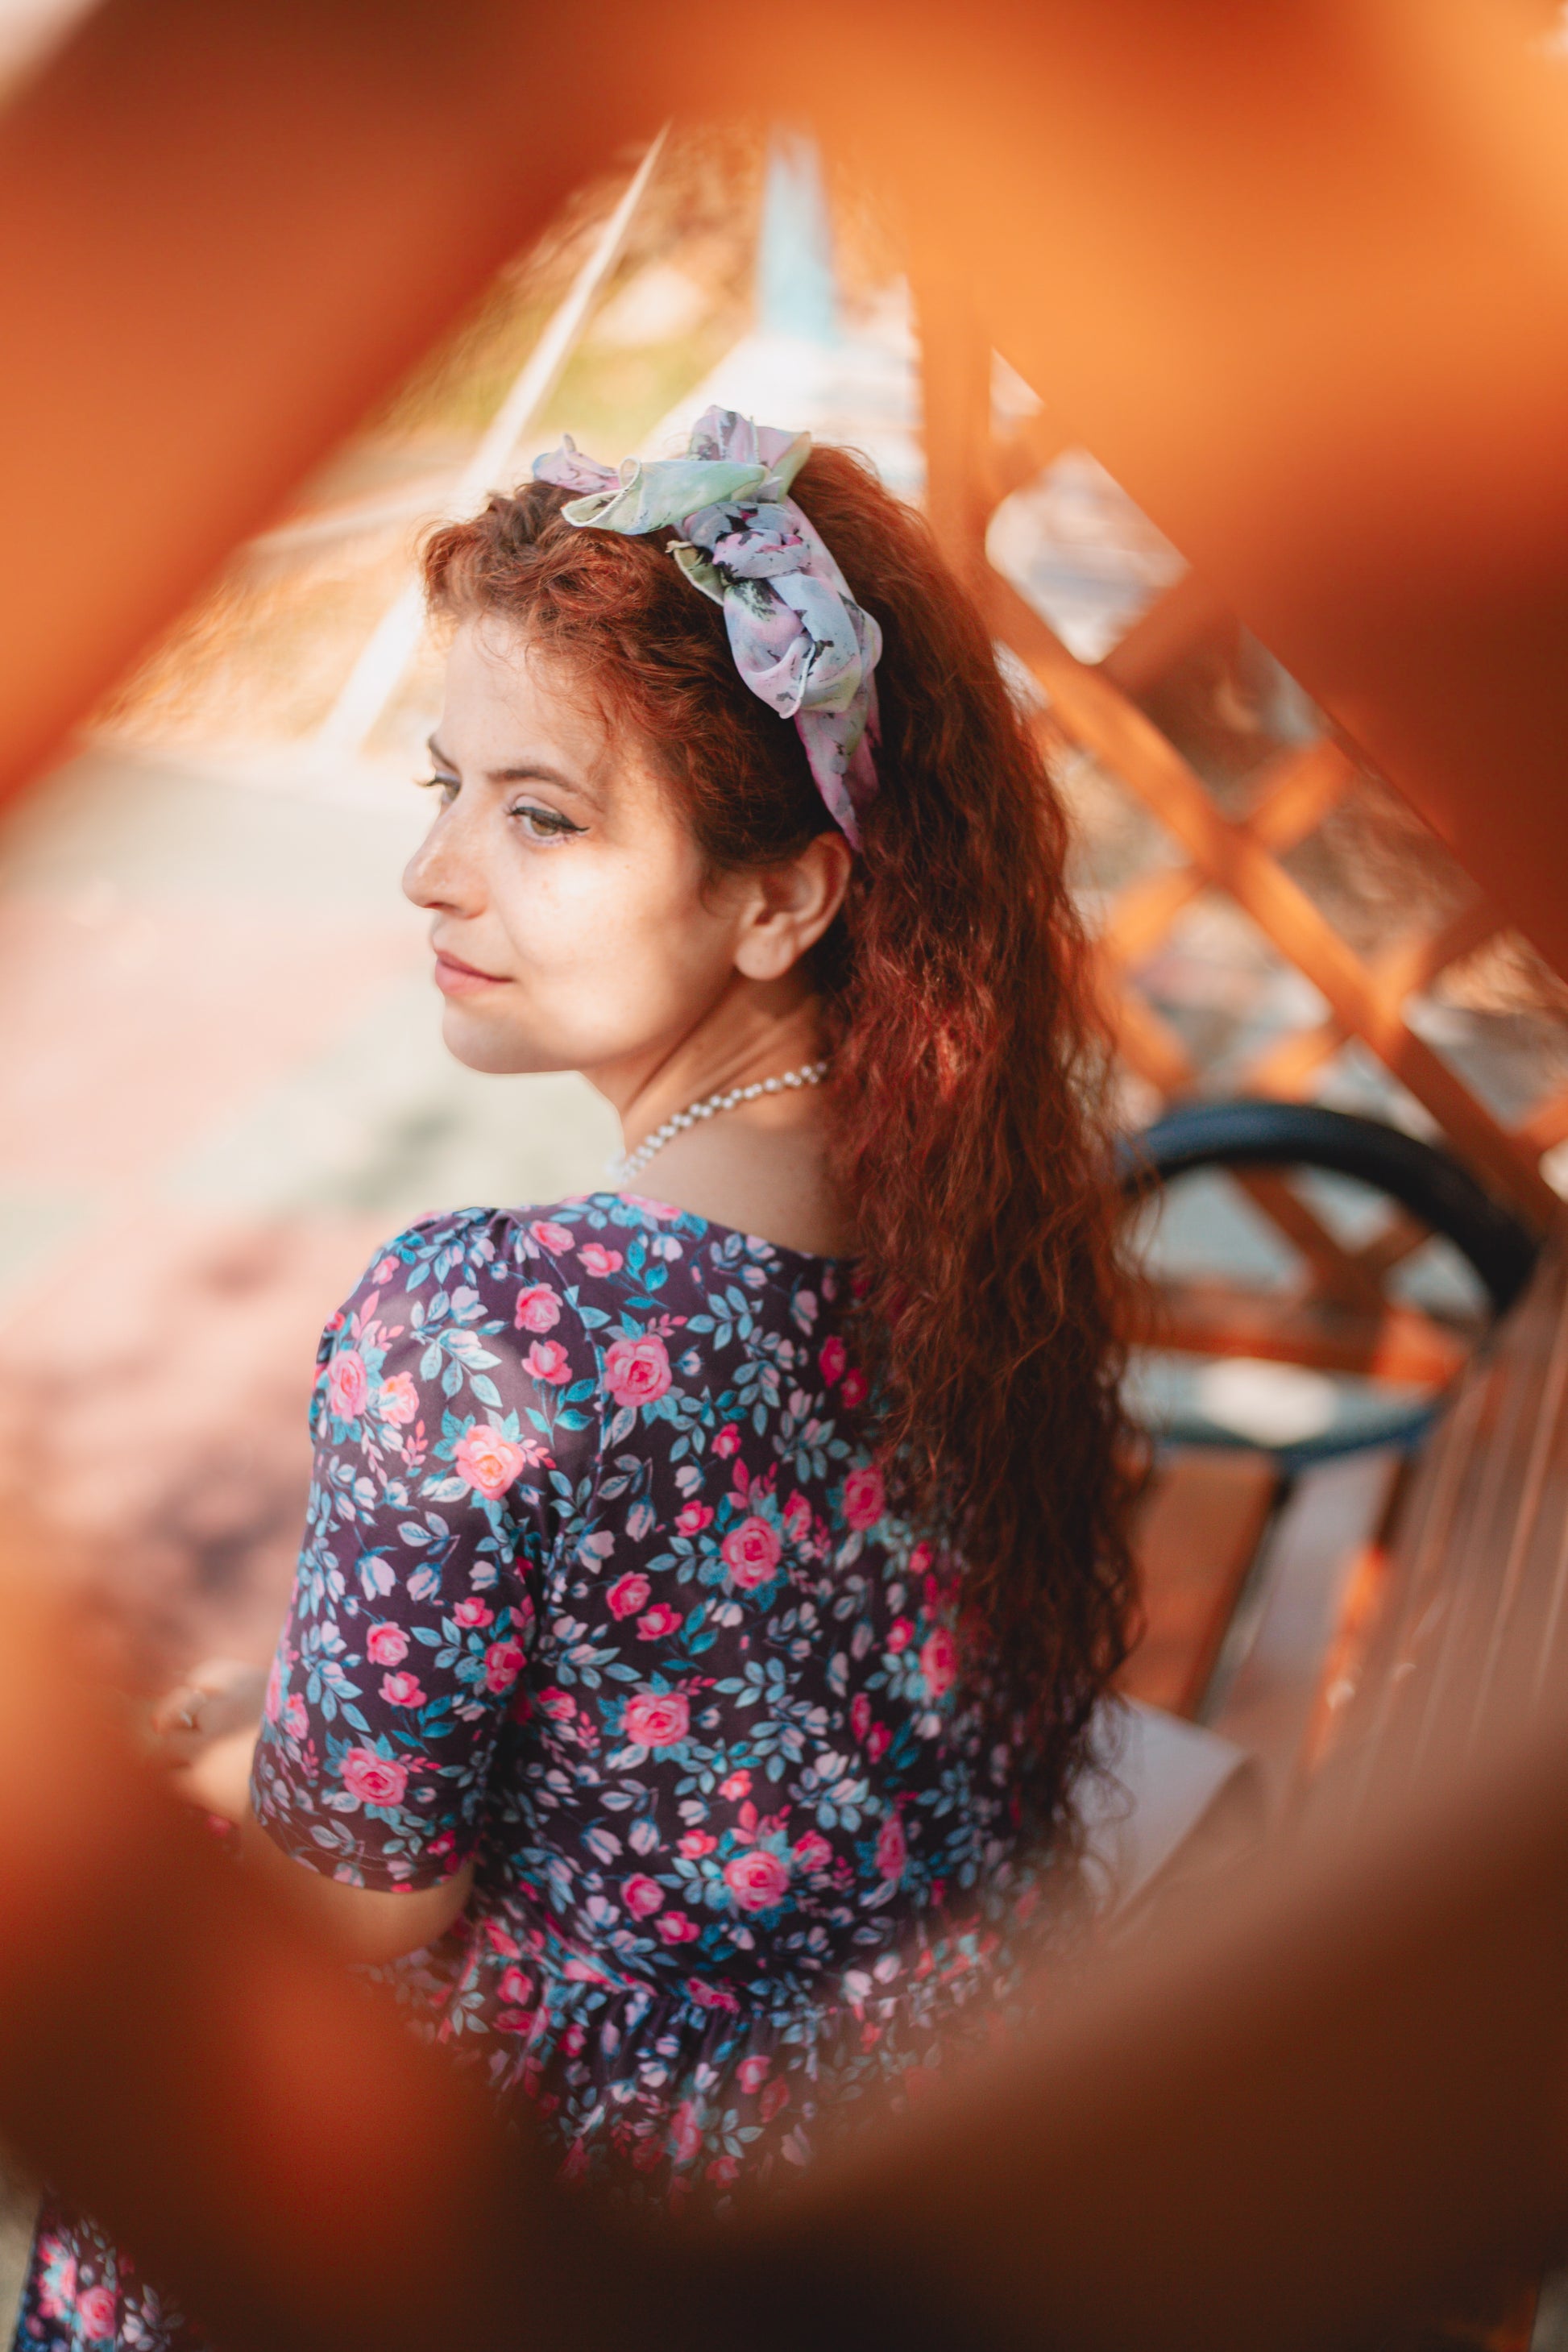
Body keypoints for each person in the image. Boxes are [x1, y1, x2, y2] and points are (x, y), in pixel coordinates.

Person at [14, 409, 1136, 2350]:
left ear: (783, 896)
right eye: (446, 785)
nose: (430, 872)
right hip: (913, 2088)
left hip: (612, 2195)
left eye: (540, 816)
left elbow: (370, 1894)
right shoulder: (977, 1219)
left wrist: (205, 1775)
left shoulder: (496, 1327)